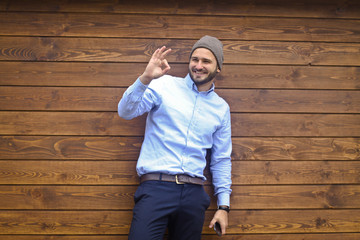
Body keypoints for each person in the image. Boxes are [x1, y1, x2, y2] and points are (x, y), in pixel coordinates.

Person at [118, 35, 232, 239]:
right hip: (156, 188)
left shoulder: (221, 108)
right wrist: (145, 78)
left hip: (194, 194)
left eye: (206, 61)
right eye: (195, 59)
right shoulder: (163, 85)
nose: (198, 65)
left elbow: (221, 159)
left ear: (218, 68)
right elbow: (126, 112)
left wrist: (224, 206)